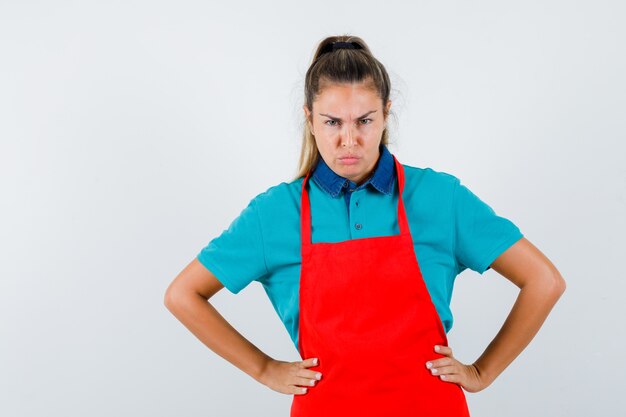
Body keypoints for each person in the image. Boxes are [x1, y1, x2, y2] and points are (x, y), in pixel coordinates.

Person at [164, 35, 566, 416]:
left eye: (365, 121)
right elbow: (183, 294)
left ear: (386, 113)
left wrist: (482, 372)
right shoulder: (275, 213)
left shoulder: (440, 198)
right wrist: (265, 369)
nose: (349, 140)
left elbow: (543, 280)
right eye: (333, 122)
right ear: (310, 119)